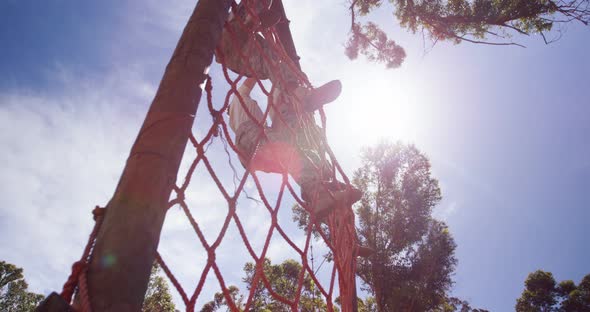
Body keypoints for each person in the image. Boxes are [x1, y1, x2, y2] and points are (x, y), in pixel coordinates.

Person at [228, 77, 361, 220]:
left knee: (297, 154)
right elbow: (249, 82)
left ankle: (322, 184)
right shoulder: (238, 97)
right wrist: (268, 70)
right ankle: (318, 193)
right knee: (290, 150)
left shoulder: (251, 113)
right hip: (250, 136)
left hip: (256, 147)